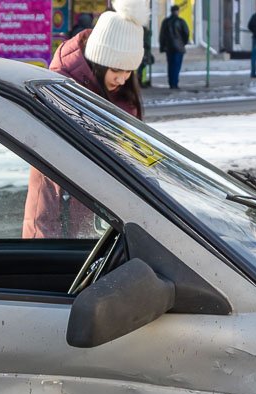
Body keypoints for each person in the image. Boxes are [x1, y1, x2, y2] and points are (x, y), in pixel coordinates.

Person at [23, 0, 148, 238]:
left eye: (128, 71)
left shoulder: (122, 93)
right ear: (99, 61)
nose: (122, 79)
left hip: (100, 214)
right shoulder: (62, 86)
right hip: (59, 205)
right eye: (116, 70)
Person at [158, 4, 190, 89]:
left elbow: (162, 35)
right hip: (179, 47)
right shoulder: (181, 21)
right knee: (176, 66)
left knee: (171, 65)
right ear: (178, 11)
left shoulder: (166, 22)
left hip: (169, 47)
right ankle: (174, 83)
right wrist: (183, 43)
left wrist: (162, 46)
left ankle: (171, 83)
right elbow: (186, 33)